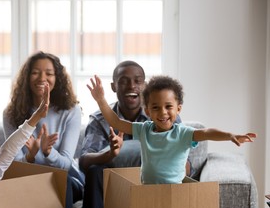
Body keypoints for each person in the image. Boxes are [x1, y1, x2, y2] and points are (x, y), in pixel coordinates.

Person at [79, 61, 183, 208]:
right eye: (123, 81)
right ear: (113, 87)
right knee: (94, 171)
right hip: (114, 185)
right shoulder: (100, 119)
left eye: (137, 81)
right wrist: (109, 153)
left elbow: (185, 159)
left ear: (145, 86)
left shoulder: (164, 113)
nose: (131, 86)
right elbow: (84, 161)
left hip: (153, 180)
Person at [87, 74, 256, 184]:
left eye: (168, 106)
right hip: (148, 190)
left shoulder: (182, 133)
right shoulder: (144, 130)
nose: (163, 112)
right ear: (148, 111)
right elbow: (116, 122)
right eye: (156, 107)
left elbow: (206, 133)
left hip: (175, 191)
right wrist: (101, 100)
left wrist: (230, 135)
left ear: (178, 109)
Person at [2, 51, 84, 208]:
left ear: (58, 78)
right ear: (26, 77)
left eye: (49, 73)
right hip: (28, 179)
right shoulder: (12, 113)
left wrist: (48, 153)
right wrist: (31, 156)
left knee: (60, 184)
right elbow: (15, 162)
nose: (42, 78)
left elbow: (65, 163)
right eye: (36, 73)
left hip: (67, 179)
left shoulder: (71, 111)